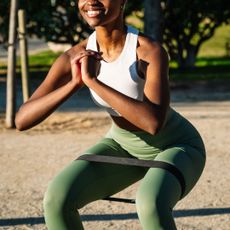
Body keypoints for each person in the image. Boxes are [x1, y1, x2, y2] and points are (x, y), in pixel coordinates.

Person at [15, 0, 206, 229]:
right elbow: (22, 119)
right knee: (57, 199)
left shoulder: (148, 51)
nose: (91, 1)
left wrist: (93, 82)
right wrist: (74, 84)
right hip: (122, 144)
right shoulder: (75, 55)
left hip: (176, 145)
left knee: (150, 203)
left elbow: (153, 123)